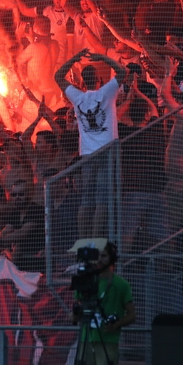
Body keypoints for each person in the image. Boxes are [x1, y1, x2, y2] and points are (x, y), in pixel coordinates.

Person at [55, 49, 127, 237]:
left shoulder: (77, 97)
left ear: (83, 81)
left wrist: (73, 58)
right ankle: (94, 244)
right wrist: (103, 58)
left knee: (86, 201)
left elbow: (58, 76)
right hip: (106, 152)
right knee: (101, 201)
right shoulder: (106, 92)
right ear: (99, 79)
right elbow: (122, 73)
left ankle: (84, 243)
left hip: (86, 155)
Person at [70, 239, 136, 365]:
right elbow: (77, 308)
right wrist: (76, 314)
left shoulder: (121, 285)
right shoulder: (86, 282)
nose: (99, 259)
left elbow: (132, 314)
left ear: (112, 258)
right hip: (86, 338)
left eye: (104, 255)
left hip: (107, 340)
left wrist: (116, 324)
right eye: (97, 255)